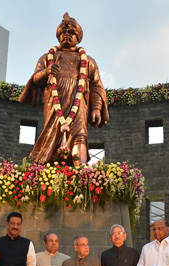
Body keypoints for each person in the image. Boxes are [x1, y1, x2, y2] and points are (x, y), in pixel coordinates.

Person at [19, 13, 109, 166]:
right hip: (54, 104)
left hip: (79, 103)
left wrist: (96, 108)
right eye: (63, 33)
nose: (66, 35)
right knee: (52, 135)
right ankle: (47, 172)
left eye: (71, 33)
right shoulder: (48, 57)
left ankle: (80, 169)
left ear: (78, 37)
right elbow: (35, 79)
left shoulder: (87, 61)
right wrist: (47, 72)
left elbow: (97, 86)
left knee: (79, 134)